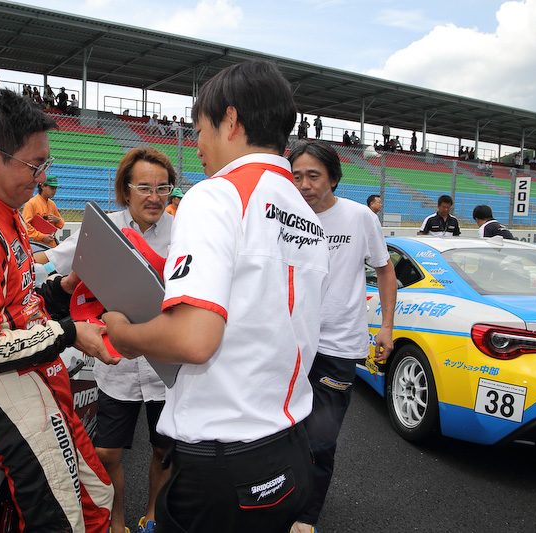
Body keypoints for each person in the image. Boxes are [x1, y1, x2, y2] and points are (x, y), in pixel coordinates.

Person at [102, 60, 330, 533]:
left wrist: (124, 335)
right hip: (288, 446)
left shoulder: (217, 195)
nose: (198, 145)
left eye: (199, 127)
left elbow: (195, 339)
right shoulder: (304, 209)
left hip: (225, 458)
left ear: (230, 121)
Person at [0, 89, 115, 533]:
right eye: (35, 166)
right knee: (64, 523)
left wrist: (63, 288)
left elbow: (19, 305)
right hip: (12, 398)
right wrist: (72, 333)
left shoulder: (5, 214)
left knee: (97, 501)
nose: (42, 177)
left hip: (42, 384)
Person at [35, 147, 177, 533]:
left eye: (163, 187)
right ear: (125, 190)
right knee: (106, 452)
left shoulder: (184, 234)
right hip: (115, 362)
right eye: (144, 187)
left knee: (165, 450)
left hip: (167, 363)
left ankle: (152, 516)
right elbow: (50, 263)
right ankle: (116, 523)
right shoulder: (102, 229)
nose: (154, 196)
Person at [289, 140, 397, 533]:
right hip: (288, 345)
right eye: (296, 175)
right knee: (283, 431)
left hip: (337, 348)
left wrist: (385, 327)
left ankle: (305, 518)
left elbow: (385, 271)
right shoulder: (284, 216)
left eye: (313, 175)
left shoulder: (358, 217)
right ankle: (280, 503)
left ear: (333, 177)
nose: (303, 184)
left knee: (320, 439)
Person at [22, 174, 65, 247]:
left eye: (55, 188)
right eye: (52, 188)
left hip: (51, 245)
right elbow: (25, 226)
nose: (54, 191)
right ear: (42, 186)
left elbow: (61, 224)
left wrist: (57, 219)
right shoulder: (31, 203)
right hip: (36, 246)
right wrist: (42, 237)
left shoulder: (52, 204)